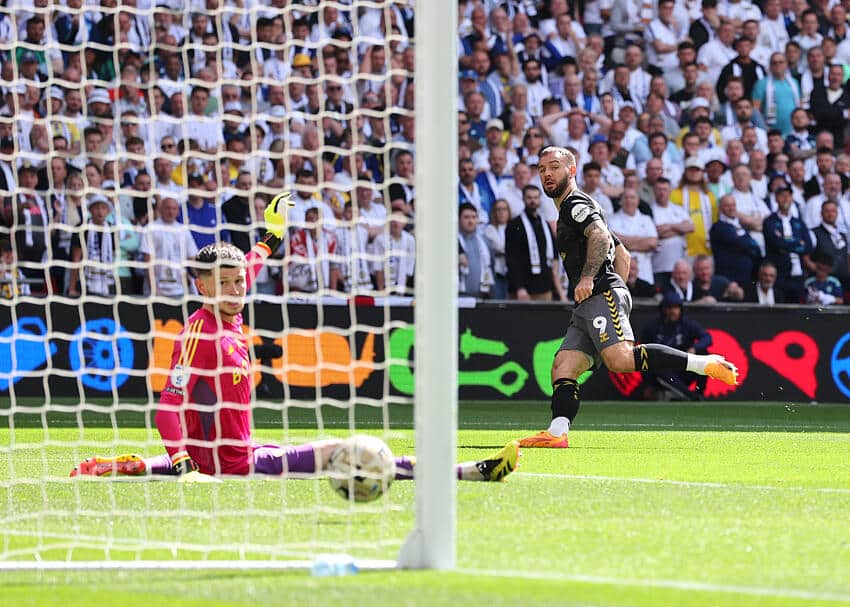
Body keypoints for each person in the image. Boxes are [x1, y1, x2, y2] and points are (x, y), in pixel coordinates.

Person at [71, 194, 518, 481]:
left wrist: (271, 236)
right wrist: (186, 467)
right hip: (235, 466)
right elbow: (168, 407)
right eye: (225, 283)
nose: (237, 289)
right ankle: (468, 472)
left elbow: (250, 265)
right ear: (202, 287)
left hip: (241, 451)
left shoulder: (231, 307)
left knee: (334, 450)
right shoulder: (197, 333)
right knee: (343, 450)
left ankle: (129, 466)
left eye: (239, 282)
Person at [519, 147, 737, 449]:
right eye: (542, 168)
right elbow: (622, 252)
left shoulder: (574, 204)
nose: (546, 173)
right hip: (591, 301)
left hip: (597, 292)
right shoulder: (578, 207)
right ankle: (557, 433)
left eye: (554, 167)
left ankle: (703, 363)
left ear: (571, 170)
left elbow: (601, 237)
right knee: (563, 366)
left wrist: (596, 283)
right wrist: (619, 292)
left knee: (620, 359)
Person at [640, 292, 713, 402]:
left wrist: (694, 348)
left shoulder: (687, 324)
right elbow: (643, 353)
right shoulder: (652, 328)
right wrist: (646, 384)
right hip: (663, 371)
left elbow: (707, 338)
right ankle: (691, 396)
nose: (673, 311)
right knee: (654, 364)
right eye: (669, 308)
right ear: (663, 309)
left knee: (704, 355)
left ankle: (699, 393)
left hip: (683, 367)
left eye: (676, 307)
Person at [505, 185, 564, 301]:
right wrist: (519, 287)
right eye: (529, 198)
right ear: (523, 199)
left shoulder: (544, 224)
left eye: (536, 198)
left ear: (540, 200)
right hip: (523, 290)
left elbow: (554, 256)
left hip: (544, 287)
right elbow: (511, 258)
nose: (533, 201)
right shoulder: (514, 225)